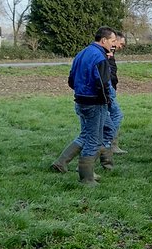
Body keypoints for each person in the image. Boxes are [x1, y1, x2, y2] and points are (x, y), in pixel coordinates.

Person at [50, 26, 116, 185]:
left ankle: (64, 164)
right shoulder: (99, 57)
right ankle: (86, 178)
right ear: (104, 40)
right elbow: (103, 83)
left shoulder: (82, 53)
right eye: (112, 40)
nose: (113, 44)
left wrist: (81, 91)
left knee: (93, 134)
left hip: (80, 101)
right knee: (94, 140)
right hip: (95, 103)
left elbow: (71, 79)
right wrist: (107, 100)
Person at [99, 31, 126, 169]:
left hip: (110, 87)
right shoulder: (104, 53)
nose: (121, 46)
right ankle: (108, 143)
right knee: (116, 115)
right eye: (121, 43)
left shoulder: (109, 52)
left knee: (107, 119)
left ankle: (108, 145)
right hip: (107, 89)